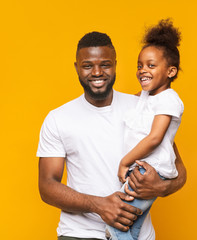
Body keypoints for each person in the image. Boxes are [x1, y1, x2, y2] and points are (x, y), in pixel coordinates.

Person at [37, 31, 186, 240]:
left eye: (105, 64)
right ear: (76, 68)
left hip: (138, 235)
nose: (97, 72)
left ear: (115, 64)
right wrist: (99, 205)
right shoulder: (58, 119)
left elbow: (177, 167)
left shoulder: (141, 106)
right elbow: (47, 186)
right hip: (80, 235)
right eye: (88, 65)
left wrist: (161, 186)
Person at [106, 19, 184, 240]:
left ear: (170, 71)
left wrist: (124, 162)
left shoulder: (168, 99)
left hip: (149, 171)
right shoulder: (148, 97)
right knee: (133, 228)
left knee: (116, 226)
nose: (142, 71)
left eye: (151, 65)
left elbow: (155, 138)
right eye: (140, 65)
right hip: (143, 168)